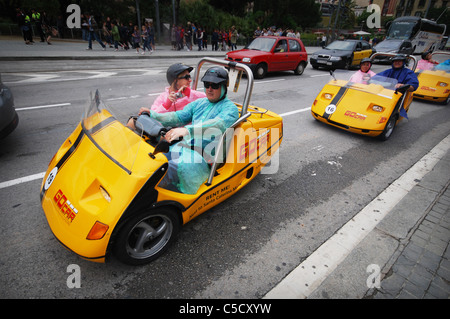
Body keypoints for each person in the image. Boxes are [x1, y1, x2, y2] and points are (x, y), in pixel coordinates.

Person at [135, 67, 239, 194]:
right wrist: (154, 114)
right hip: (186, 147)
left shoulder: (230, 109)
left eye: (215, 85)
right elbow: (178, 116)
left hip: (205, 157)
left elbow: (218, 124)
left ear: (223, 87)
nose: (210, 89)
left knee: (172, 169)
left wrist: (187, 130)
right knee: (156, 161)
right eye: (207, 84)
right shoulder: (200, 103)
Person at [127, 63, 206, 122]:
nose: (190, 80)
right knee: (133, 121)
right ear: (175, 81)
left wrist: (190, 94)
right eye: (186, 77)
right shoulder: (163, 97)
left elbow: (210, 98)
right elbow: (153, 117)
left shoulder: (192, 94)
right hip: (166, 132)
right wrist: (166, 105)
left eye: (190, 77)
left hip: (184, 133)